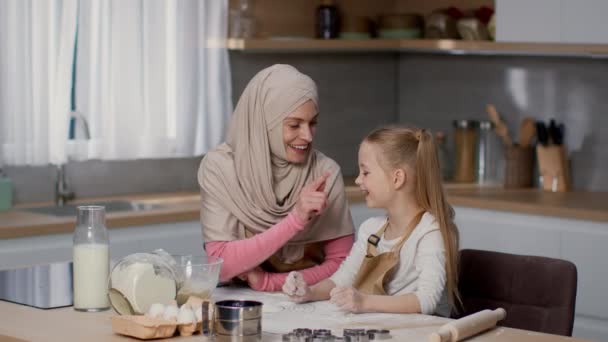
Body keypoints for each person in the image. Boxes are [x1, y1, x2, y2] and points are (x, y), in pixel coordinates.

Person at [198, 64, 355, 292]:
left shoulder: (325, 172)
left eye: (313, 123)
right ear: (265, 123)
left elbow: (345, 264)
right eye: (294, 125)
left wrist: (272, 283)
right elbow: (219, 265)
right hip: (240, 303)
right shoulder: (220, 169)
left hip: (311, 301)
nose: (307, 136)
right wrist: (296, 219)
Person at [282, 126, 460, 317]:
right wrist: (310, 292)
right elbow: (343, 279)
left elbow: (427, 300)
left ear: (397, 178)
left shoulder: (430, 232)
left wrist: (364, 301)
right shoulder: (371, 230)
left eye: (365, 172)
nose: (358, 180)